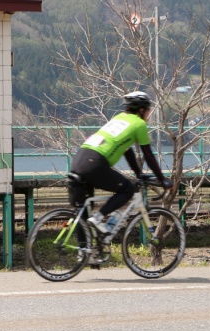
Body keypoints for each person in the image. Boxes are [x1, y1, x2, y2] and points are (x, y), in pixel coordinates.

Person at [70, 91, 173, 236]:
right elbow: (148, 156)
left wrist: (139, 173)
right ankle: (99, 218)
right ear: (142, 110)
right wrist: (162, 179)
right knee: (127, 190)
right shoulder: (139, 124)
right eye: (148, 110)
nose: (149, 114)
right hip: (95, 162)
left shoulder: (118, 118)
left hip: (79, 160)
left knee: (84, 212)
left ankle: (84, 253)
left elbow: (127, 150)